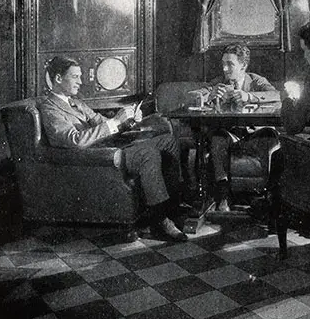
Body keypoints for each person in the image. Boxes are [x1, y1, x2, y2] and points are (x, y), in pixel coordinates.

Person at [40, 56, 187, 241]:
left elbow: (103, 124)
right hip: (100, 158)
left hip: (114, 148)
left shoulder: (76, 102)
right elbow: (74, 140)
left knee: (167, 141)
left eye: (80, 76)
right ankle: (160, 221)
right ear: (59, 78)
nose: (81, 81)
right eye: (75, 77)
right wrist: (115, 121)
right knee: (147, 153)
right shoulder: (49, 108)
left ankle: (173, 208)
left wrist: (128, 120)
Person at [193, 43, 280, 212]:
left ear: (243, 65)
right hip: (230, 134)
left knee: (270, 137)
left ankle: (267, 196)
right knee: (217, 138)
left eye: (230, 64)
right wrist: (209, 95)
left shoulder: (255, 80)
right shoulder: (219, 83)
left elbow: (276, 95)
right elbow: (194, 95)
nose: (225, 69)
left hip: (255, 133)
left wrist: (249, 96)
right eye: (223, 64)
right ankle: (223, 195)